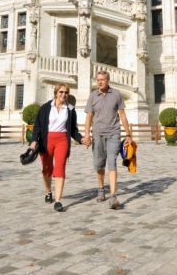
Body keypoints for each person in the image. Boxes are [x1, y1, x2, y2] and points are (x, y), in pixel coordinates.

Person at [83, 70, 134, 210]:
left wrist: (128, 134)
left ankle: (113, 196)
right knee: (99, 164)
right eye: (98, 79)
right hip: (98, 135)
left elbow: (122, 115)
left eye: (102, 79)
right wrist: (87, 135)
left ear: (108, 80)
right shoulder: (92, 96)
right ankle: (101, 189)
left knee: (112, 162)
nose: (99, 82)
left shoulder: (116, 94)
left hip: (113, 134)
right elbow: (88, 117)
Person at [29, 83, 84, 212]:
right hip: (47, 140)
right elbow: (37, 125)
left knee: (60, 169)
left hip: (62, 140)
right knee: (47, 169)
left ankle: (58, 200)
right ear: (56, 93)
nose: (63, 95)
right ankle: (48, 192)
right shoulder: (45, 107)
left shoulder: (70, 109)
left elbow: (73, 129)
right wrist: (33, 140)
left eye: (66, 93)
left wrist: (80, 138)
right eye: (61, 92)